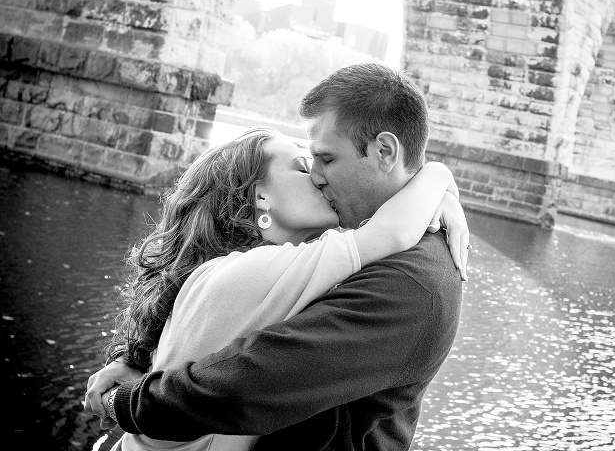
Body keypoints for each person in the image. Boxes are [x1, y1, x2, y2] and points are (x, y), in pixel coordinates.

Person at [85, 63, 466, 450]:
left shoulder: (410, 281)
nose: (317, 175)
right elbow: (238, 379)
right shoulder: (258, 268)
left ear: (384, 151)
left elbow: (245, 381)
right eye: (305, 164)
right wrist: (436, 176)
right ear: (260, 198)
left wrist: (125, 394)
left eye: (325, 159)